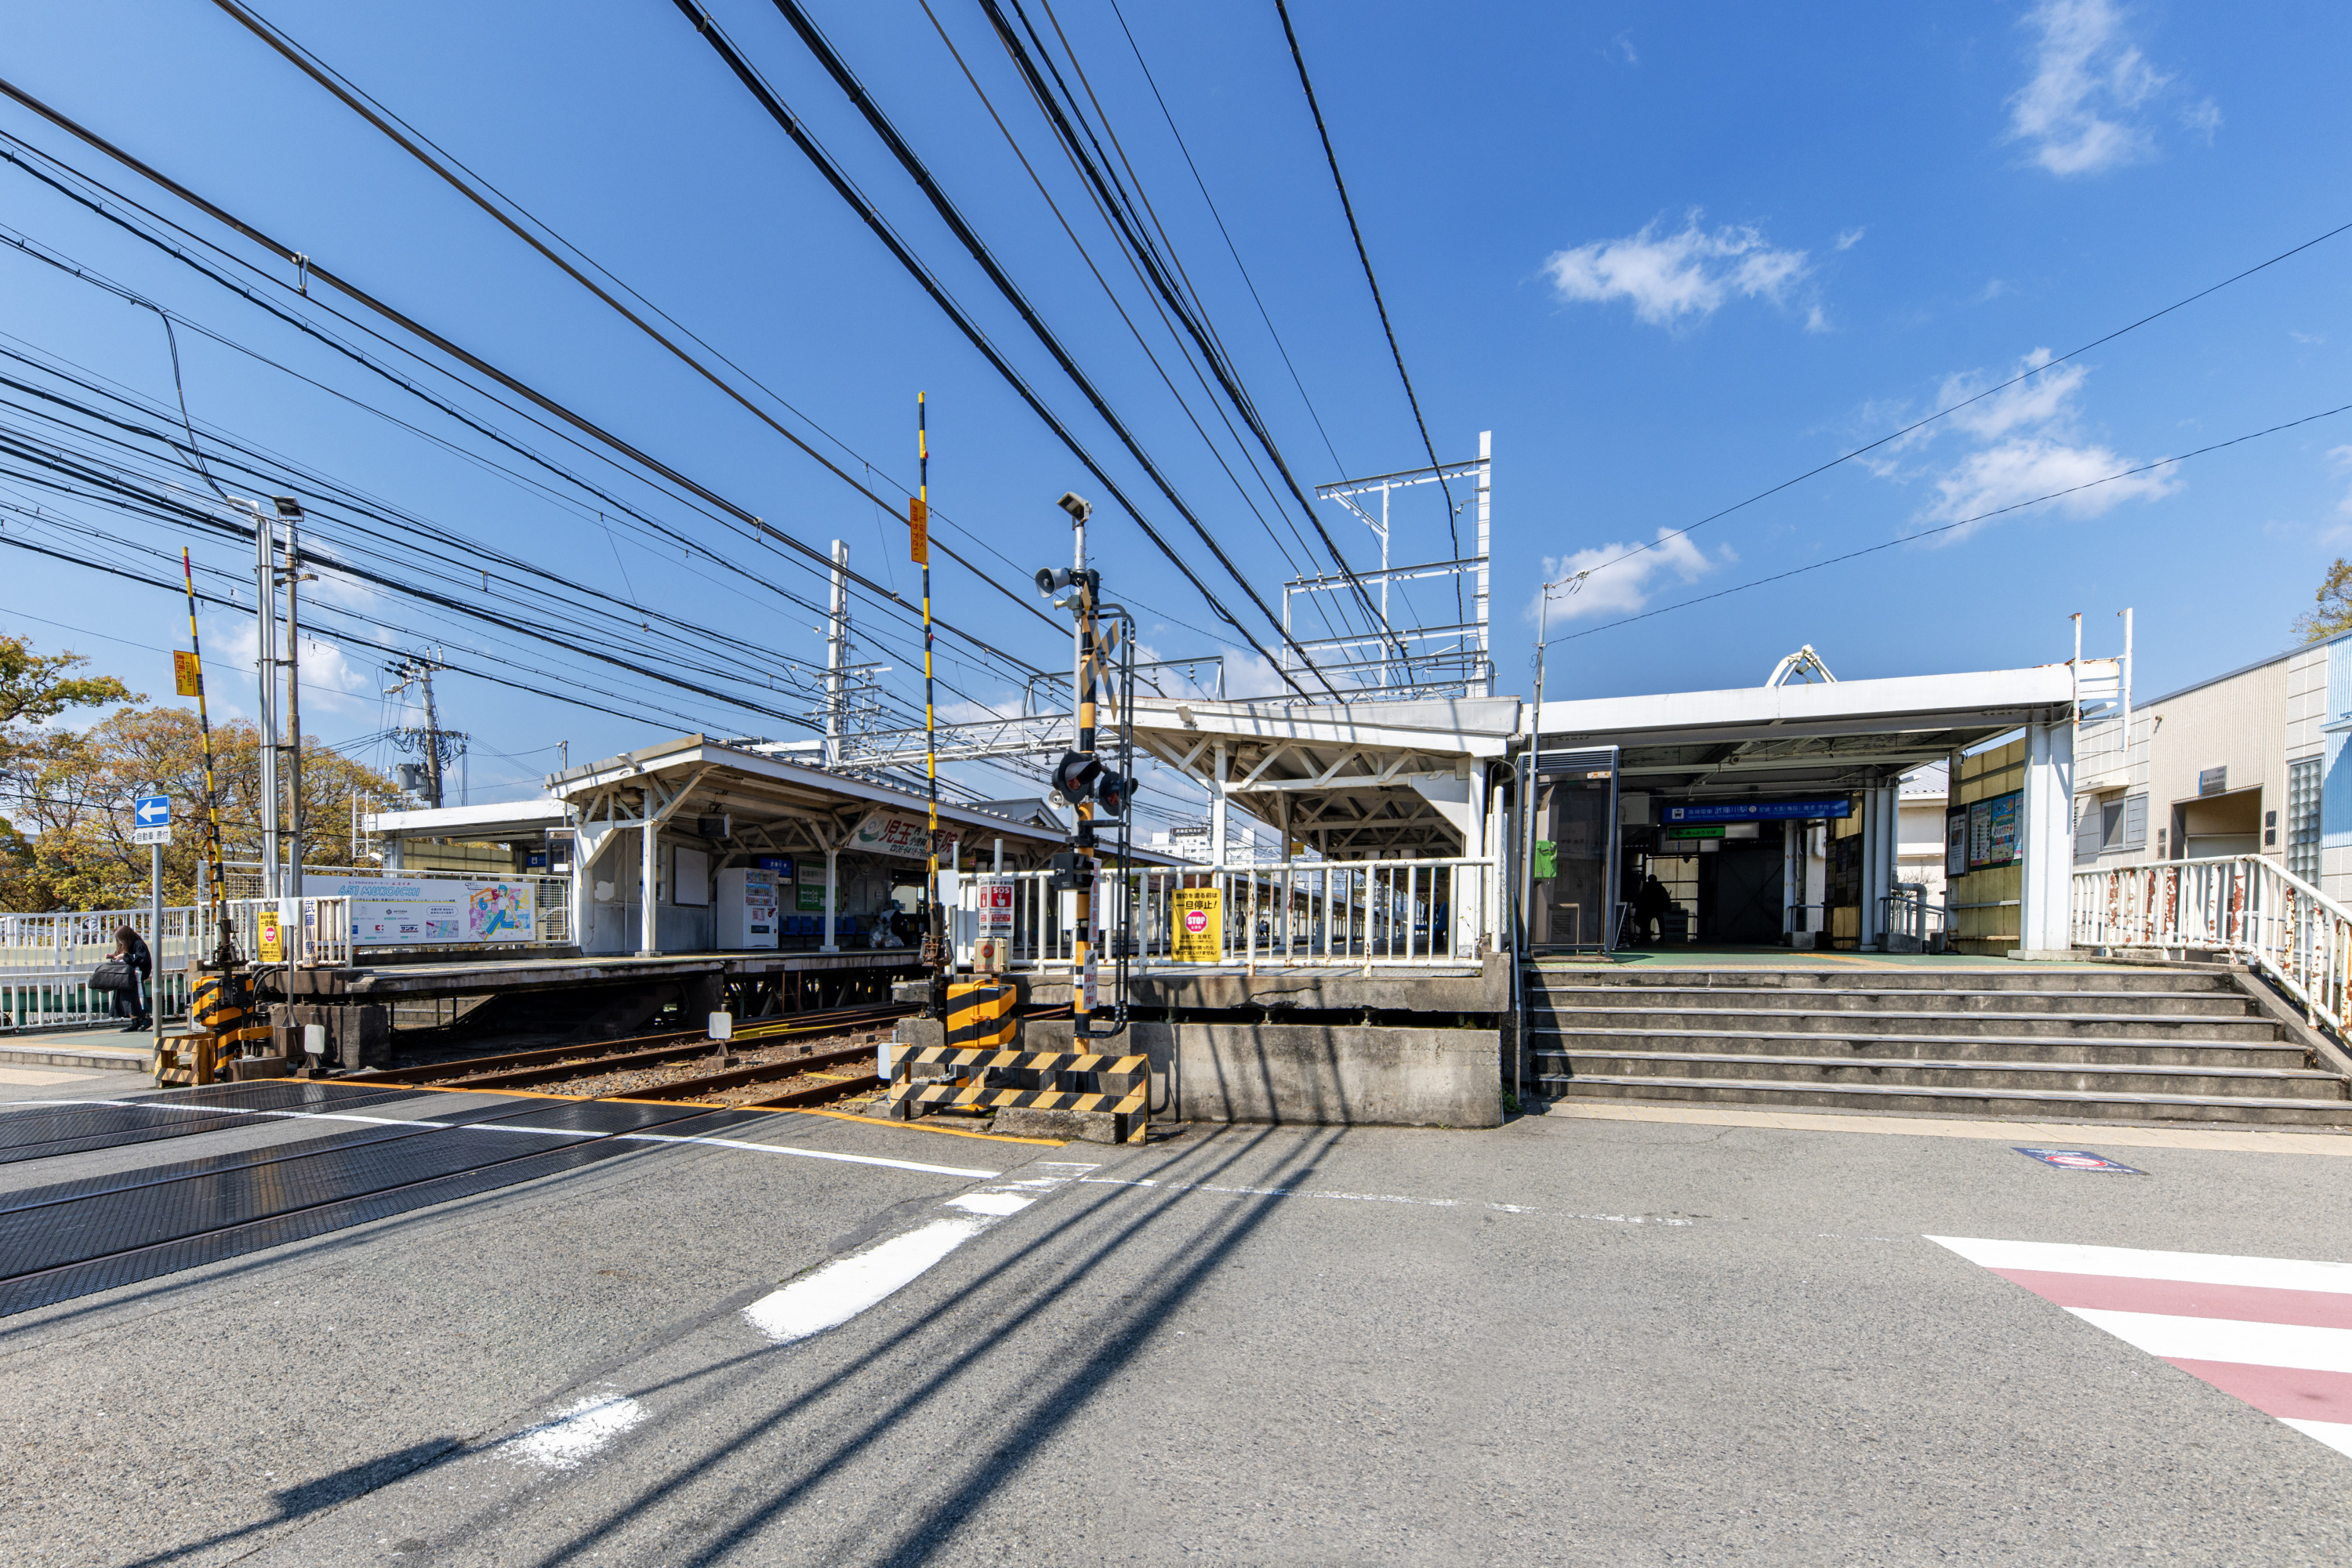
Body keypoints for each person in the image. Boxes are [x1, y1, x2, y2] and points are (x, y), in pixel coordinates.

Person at [111, 924, 152, 1032]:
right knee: (126, 999)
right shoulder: (126, 945)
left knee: (137, 998)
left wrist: (125, 957)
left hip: (135, 975)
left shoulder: (138, 944)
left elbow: (142, 958)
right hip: (125, 976)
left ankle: (145, 1018)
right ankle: (135, 1021)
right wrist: (114, 957)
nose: (119, 941)